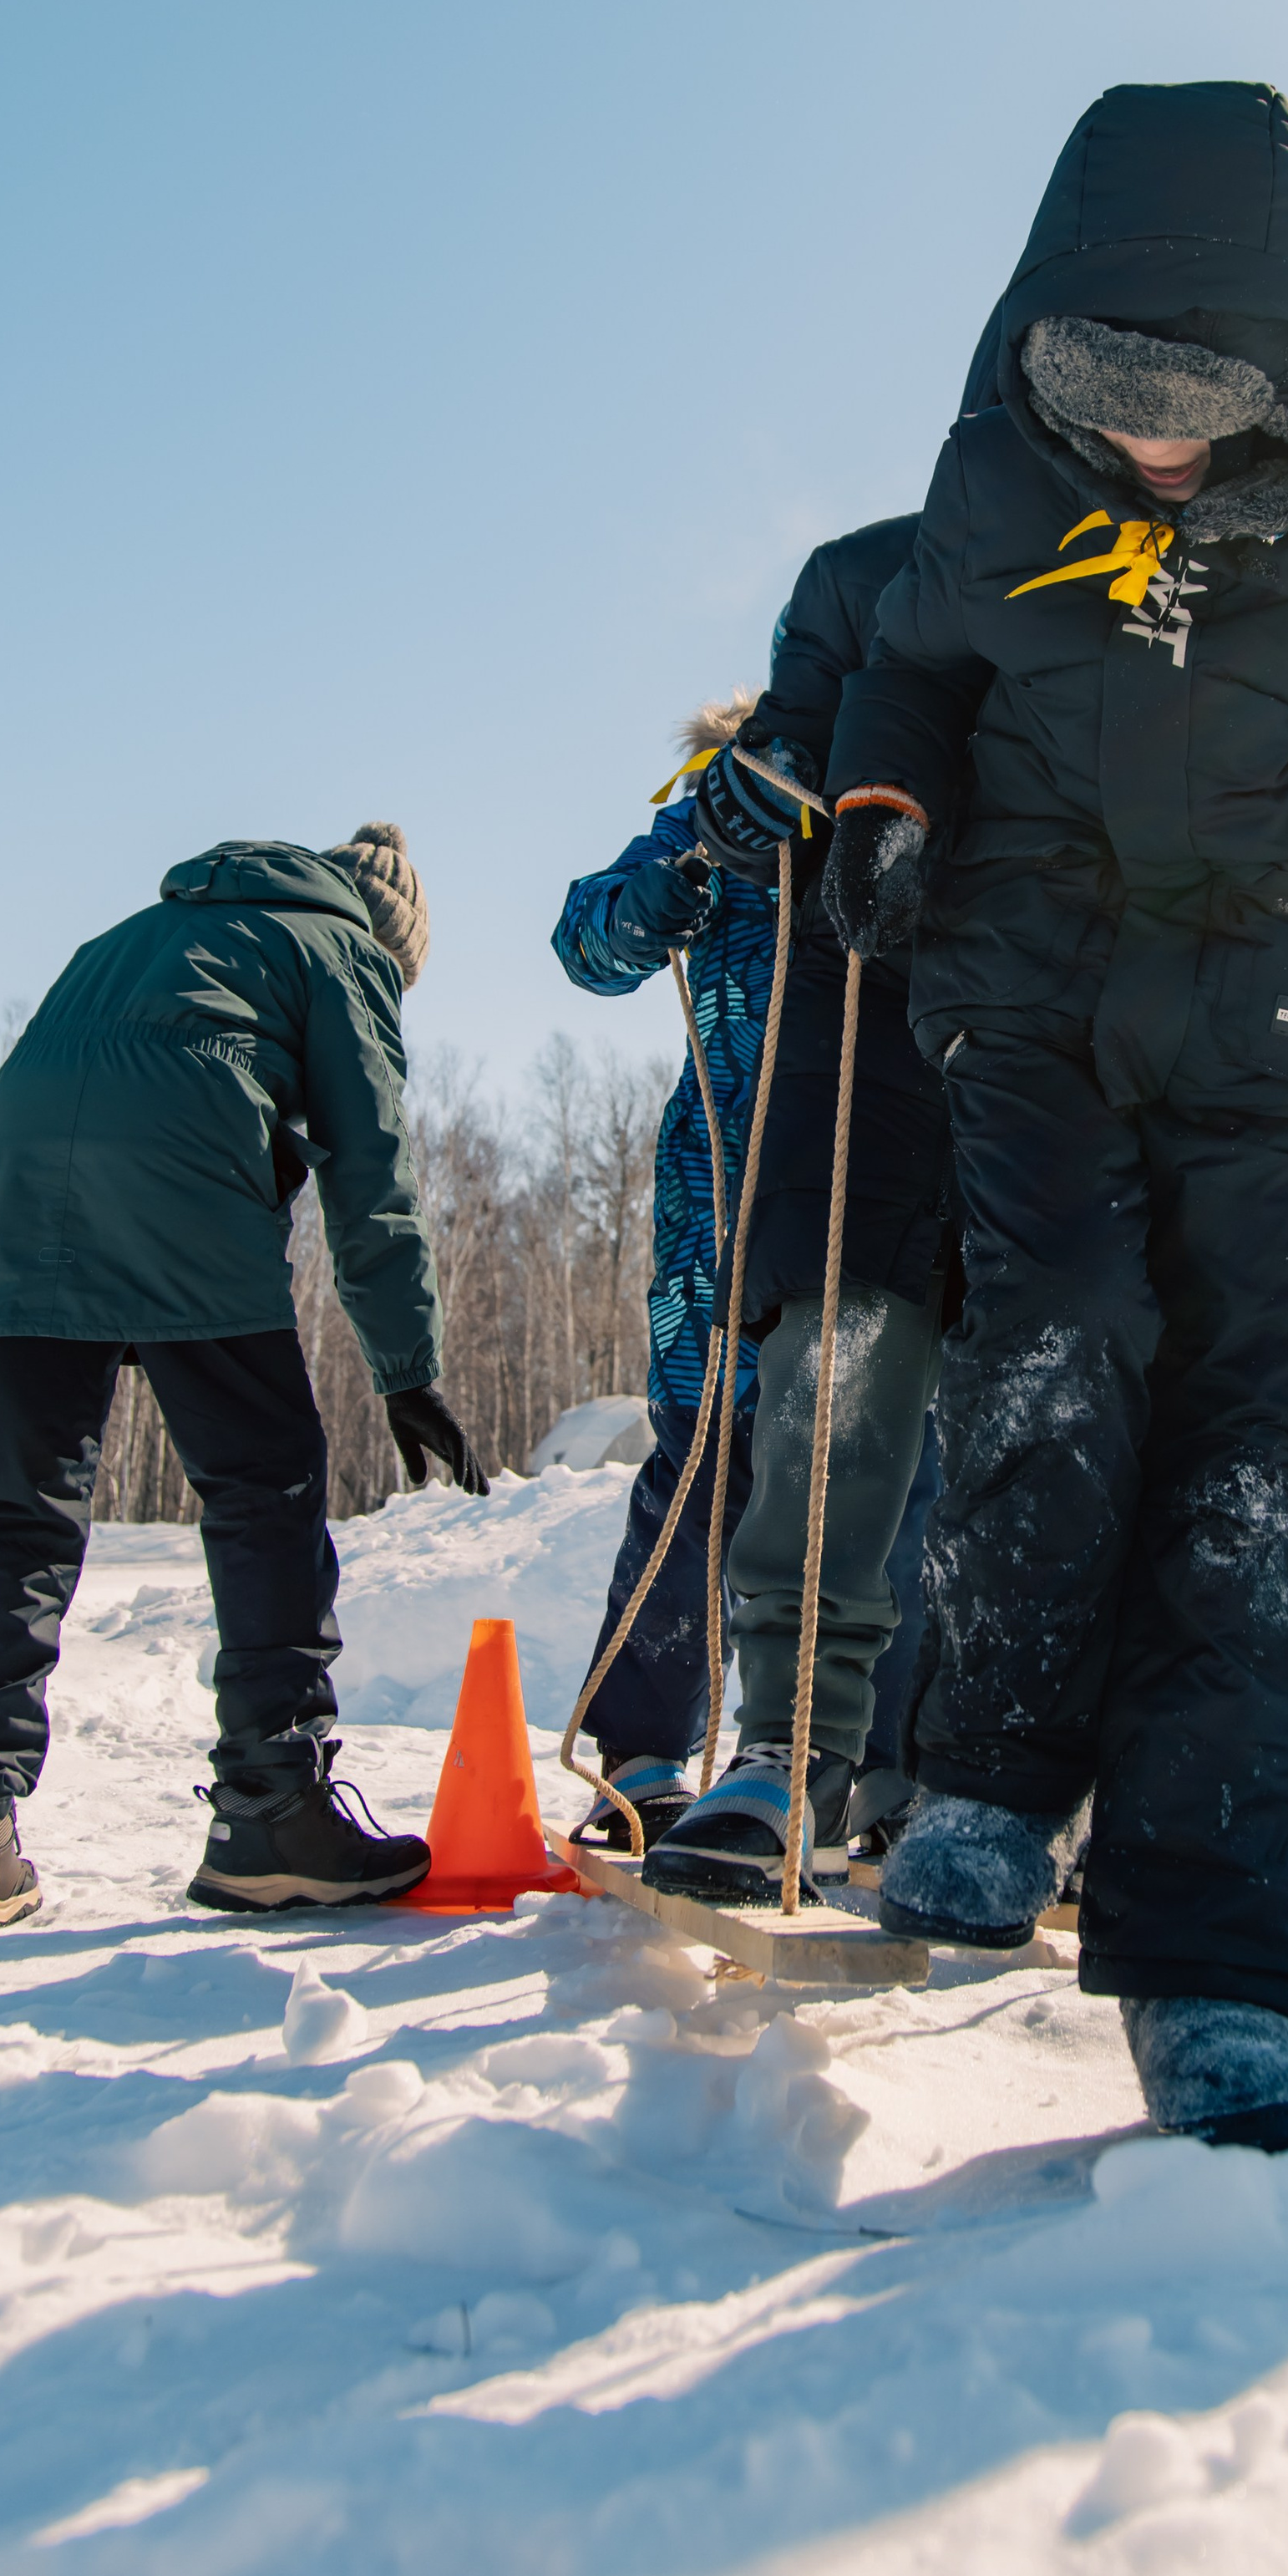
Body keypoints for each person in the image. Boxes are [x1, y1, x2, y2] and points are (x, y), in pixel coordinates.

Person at [823, 83, 1288, 2151]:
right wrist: (881, 809)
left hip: (1269, 1029)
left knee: (1240, 1460)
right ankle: (984, 1782)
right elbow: (908, 674)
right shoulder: (992, 478)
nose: (1150, 449)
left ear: (1285, 378)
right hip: (1031, 1003)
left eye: (1195, 412)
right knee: (1050, 1347)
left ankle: (1217, 1963)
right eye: (1107, 403)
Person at [0, 825, 486, 1953]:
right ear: (391, 939)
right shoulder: (341, 947)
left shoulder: (136, 933)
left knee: (15, 1510)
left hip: (16, 1189)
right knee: (266, 1488)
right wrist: (409, 1370)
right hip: (181, 1178)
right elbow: (373, 1173)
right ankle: (273, 1811)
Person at [641, 517, 960, 1903]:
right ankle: (713, 1750)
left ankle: (926, 1774)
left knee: (952, 1472)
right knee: (727, 1460)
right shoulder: (738, 819)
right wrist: (683, 865)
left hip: (996, 1047)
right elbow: (595, 926)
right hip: (759, 1174)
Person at [552, 701, 778, 1846]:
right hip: (721, 1193)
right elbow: (585, 940)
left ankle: (856, 1757)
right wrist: (662, 891)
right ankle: (642, 1752)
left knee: (880, 1476)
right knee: (701, 1463)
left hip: (872, 1174)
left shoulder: (891, 787)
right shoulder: (717, 813)